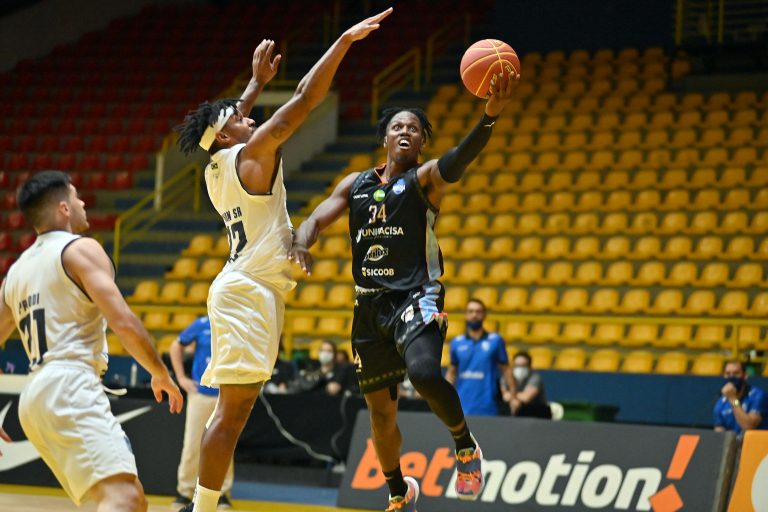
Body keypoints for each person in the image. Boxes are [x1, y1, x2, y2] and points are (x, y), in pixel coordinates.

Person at [174, 9, 392, 512]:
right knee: (230, 415)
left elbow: (228, 122)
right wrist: (343, 41)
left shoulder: (217, 164)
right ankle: (202, 508)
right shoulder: (251, 156)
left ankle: (202, 504)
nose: (248, 116)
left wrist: (254, 84)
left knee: (234, 412)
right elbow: (305, 99)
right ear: (226, 135)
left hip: (252, 287)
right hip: (247, 290)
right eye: (240, 117)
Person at [290, 69, 518, 510]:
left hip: (416, 295)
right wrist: (301, 243)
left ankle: (465, 445)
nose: (406, 132)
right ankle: (398, 491)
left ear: (422, 142)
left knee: (425, 373)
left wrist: (489, 116)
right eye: (398, 126)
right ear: (385, 138)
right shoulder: (355, 184)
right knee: (380, 414)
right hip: (368, 308)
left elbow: (459, 158)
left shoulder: (425, 179)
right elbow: (315, 219)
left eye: (414, 128)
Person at [0, 171, 183, 511]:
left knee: (132, 497)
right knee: (123, 499)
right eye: (76, 196)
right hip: (69, 384)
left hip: (35, 395)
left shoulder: (16, 271)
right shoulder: (80, 249)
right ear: (63, 208)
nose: (83, 202)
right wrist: (159, 372)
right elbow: (122, 321)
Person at [169, 316, 233, 509]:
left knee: (225, 443)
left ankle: (222, 492)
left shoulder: (235, 321)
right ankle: (185, 490)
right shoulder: (202, 324)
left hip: (226, 393)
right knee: (192, 444)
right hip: (200, 394)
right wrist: (181, 378)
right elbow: (176, 346)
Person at [446, 299, 516, 416]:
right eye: (471, 311)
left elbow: (506, 370)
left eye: (478, 311)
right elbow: (451, 372)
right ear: (466, 315)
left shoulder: (496, 340)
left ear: (484, 315)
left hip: (488, 407)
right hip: (461, 407)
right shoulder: (456, 343)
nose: (474, 315)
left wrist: (513, 397)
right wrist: (446, 398)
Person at [713, 360, 768, 436]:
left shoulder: (758, 396)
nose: (731, 377)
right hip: (733, 442)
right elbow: (719, 435)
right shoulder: (721, 403)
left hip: (757, 442)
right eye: (728, 374)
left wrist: (733, 399)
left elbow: (748, 426)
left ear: (745, 375)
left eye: (736, 373)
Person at [510, 351, 551, 419]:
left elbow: (526, 398)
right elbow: (503, 396)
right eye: (517, 365)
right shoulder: (508, 377)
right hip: (517, 415)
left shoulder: (535, 378)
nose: (519, 369)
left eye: (523, 366)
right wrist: (515, 399)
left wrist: (511, 396)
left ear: (529, 366)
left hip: (537, 415)